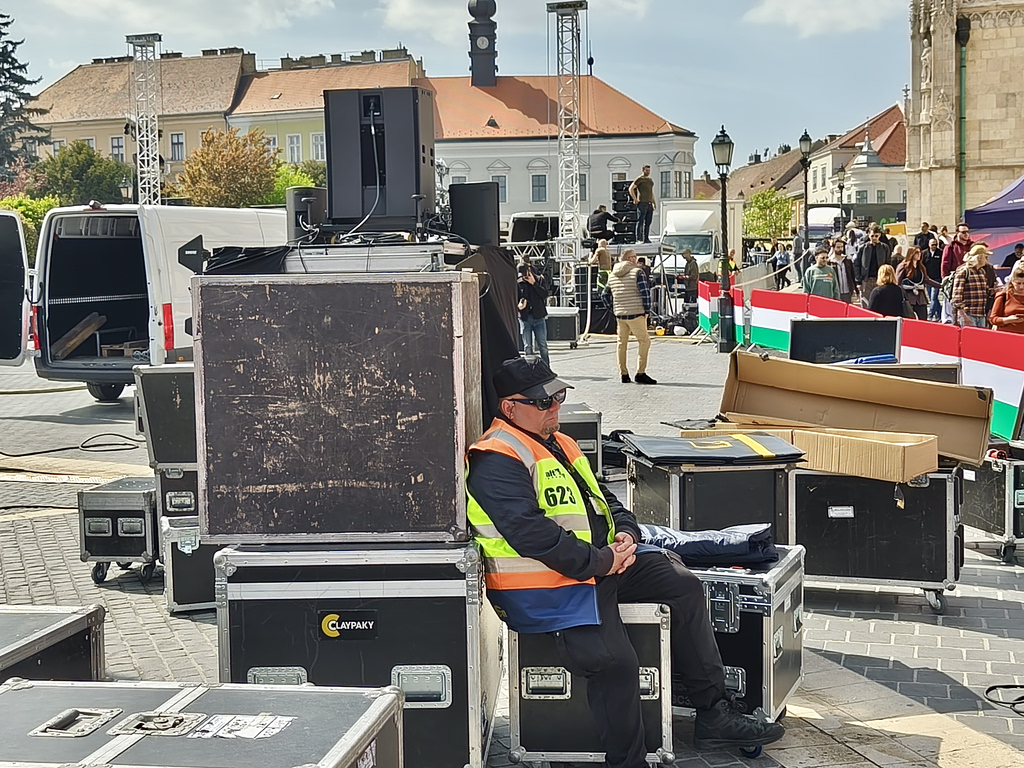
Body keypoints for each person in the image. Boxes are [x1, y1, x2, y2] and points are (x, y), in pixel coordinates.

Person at [465, 356, 786, 768]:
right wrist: (602, 562)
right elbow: (530, 534)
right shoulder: (495, 457)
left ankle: (714, 714)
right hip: (550, 588)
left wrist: (627, 534)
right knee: (615, 663)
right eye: (544, 402)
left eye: (558, 397)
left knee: (682, 582)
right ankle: (628, 761)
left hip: (598, 568)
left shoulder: (557, 441)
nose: (555, 409)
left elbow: (605, 497)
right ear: (510, 408)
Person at [603, 249, 656, 384]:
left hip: (620, 315)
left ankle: (624, 373)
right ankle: (640, 372)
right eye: (634, 257)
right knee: (644, 341)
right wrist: (647, 311)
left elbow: (604, 294)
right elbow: (645, 293)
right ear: (631, 258)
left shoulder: (612, 275)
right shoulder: (637, 272)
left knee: (622, 344)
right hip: (636, 313)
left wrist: (614, 309)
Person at [951, 245, 992, 328]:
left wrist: (993, 290)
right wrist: (962, 314)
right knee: (970, 339)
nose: (987, 259)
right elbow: (957, 296)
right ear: (979, 258)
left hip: (981, 314)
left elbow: (984, 291)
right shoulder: (963, 271)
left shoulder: (981, 271)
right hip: (968, 314)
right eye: (985, 257)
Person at [941, 224, 974, 323]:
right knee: (952, 309)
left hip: (970, 282)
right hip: (955, 282)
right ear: (957, 233)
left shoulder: (973, 246)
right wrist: (945, 281)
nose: (966, 234)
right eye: (963, 232)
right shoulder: (951, 247)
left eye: (967, 232)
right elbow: (945, 264)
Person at [517, 263, 550, 364]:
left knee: (542, 345)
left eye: (524, 273)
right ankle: (530, 369)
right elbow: (515, 298)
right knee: (527, 346)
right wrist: (518, 306)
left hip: (538, 317)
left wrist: (534, 284)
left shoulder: (539, 279)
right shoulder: (518, 283)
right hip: (525, 317)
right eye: (521, 275)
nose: (523, 277)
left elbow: (545, 294)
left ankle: (546, 368)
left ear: (529, 270)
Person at [896, 246, 938, 320]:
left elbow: (926, 280)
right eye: (916, 252)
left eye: (920, 252)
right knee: (909, 320)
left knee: (923, 319)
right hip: (908, 297)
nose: (919, 254)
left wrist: (940, 285)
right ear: (911, 254)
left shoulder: (921, 267)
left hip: (920, 298)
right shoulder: (903, 266)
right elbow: (898, 282)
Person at [856, 226, 891, 304]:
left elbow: (888, 264)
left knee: (880, 301)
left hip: (880, 279)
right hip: (866, 279)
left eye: (876, 236)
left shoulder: (885, 248)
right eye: (872, 236)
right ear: (868, 235)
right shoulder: (863, 248)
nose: (874, 238)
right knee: (865, 302)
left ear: (879, 235)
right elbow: (857, 264)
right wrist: (858, 281)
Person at [990, 261, 1024, 333]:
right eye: (1018, 283)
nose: (1021, 287)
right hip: (1007, 336)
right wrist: (1008, 320)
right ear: (1012, 282)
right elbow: (993, 319)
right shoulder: (1003, 295)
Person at [629, 166, 656, 244]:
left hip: (649, 203)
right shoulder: (640, 179)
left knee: (648, 222)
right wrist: (635, 199)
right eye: (646, 170)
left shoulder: (650, 180)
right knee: (640, 221)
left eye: (649, 170)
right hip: (642, 203)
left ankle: (646, 238)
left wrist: (654, 202)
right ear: (643, 170)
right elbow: (631, 188)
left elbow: (651, 192)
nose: (648, 172)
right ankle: (639, 238)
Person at [922, 238, 944, 320]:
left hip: (937, 279)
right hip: (928, 279)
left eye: (935, 244)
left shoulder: (940, 253)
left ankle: (930, 315)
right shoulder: (924, 253)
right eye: (932, 245)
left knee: (933, 297)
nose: (934, 246)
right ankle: (939, 314)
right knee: (933, 298)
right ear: (929, 244)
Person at [829, 238, 856, 303]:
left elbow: (852, 275)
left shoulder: (847, 260)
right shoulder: (829, 262)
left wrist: (854, 289)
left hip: (847, 291)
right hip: (835, 292)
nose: (840, 249)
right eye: (838, 247)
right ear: (833, 248)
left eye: (841, 247)